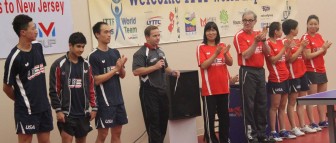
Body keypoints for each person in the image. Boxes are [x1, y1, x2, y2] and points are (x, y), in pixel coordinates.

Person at [3, 14, 53, 143]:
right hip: (26, 111)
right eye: (33, 28)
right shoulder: (14, 58)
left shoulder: (38, 47)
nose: (36, 30)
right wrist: (22, 101)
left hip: (44, 107)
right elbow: (6, 87)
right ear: (23, 32)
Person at [132, 25, 180, 143]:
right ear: (147, 37)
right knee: (153, 124)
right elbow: (136, 71)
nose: (158, 38)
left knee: (163, 122)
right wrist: (154, 67)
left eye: (159, 35)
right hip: (149, 91)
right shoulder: (141, 53)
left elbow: (165, 66)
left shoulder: (160, 51)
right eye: (154, 36)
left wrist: (173, 71)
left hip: (162, 91)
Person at [49, 32, 97, 143]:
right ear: (70, 45)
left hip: (83, 113)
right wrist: (58, 110)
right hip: (66, 114)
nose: (81, 49)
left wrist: (94, 108)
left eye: (83, 46)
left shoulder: (86, 65)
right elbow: (53, 91)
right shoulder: (58, 65)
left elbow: (92, 88)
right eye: (78, 46)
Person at [88, 22, 128, 143]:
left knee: (117, 132)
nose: (109, 35)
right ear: (97, 34)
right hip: (104, 102)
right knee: (103, 134)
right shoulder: (93, 56)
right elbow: (95, 80)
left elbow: (122, 75)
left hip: (118, 100)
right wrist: (115, 69)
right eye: (105, 32)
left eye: (110, 31)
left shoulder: (114, 52)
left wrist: (120, 68)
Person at [233, 10, 270, 143]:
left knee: (262, 103)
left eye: (250, 20)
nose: (247, 23)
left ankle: (262, 134)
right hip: (248, 71)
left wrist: (264, 41)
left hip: (260, 71)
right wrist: (255, 42)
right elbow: (246, 55)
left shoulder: (258, 34)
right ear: (242, 21)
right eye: (245, 20)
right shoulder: (239, 36)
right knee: (249, 105)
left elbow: (268, 53)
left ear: (255, 21)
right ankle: (251, 136)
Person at [196, 21, 233, 143]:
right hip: (209, 90)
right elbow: (204, 65)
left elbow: (230, 63)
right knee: (209, 119)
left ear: (217, 32)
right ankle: (212, 140)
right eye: (208, 30)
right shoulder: (201, 47)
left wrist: (225, 53)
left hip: (224, 88)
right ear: (205, 33)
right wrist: (216, 54)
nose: (211, 33)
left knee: (224, 118)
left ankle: (224, 140)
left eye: (213, 30)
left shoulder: (221, 45)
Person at [282, 19, 317, 136]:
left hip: (302, 73)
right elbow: (290, 59)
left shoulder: (297, 41)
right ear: (292, 30)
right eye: (296, 28)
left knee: (301, 102)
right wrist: (301, 48)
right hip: (293, 76)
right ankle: (293, 127)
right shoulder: (285, 42)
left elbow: (303, 56)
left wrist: (303, 48)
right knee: (292, 103)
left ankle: (303, 125)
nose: (298, 30)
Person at [265, 22, 295, 141]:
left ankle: (283, 130)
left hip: (285, 78)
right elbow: (273, 60)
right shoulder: (268, 43)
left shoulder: (281, 42)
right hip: (275, 79)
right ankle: (273, 131)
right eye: (280, 30)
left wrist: (288, 49)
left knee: (283, 106)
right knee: (274, 106)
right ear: (275, 31)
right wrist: (284, 48)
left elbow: (285, 58)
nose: (282, 32)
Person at [302, 15, 332, 130]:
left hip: (321, 69)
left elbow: (321, 53)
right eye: (311, 24)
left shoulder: (319, 36)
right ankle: (312, 122)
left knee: (322, 98)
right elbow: (308, 55)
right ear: (307, 25)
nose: (313, 26)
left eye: (315, 24)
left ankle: (322, 120)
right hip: (311, 71)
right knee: (312, 98)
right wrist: (322, 49)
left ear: (318, 25)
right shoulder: (305, 37)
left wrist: (324, 49)